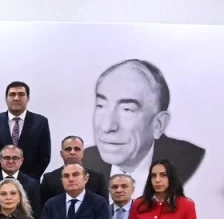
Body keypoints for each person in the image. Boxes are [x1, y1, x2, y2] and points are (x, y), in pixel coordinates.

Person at [83, 59, 205, 187]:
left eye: (127, 109)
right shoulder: (82, 163)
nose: (107, 126)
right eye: (101, 105)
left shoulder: (194, 163)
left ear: (158, 125)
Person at [0, 81, 51, 179]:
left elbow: (44, 156)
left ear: (28, 98)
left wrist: (29, 180)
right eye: (12, 94)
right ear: (6, 99)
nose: (16, 98)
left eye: (21, 94)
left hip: (29, 182)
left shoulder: (40, 122)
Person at [41, 136, 106, 205]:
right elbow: (43, 208)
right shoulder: (49, 179)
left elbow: (104, 207)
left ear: (83, 153)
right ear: (61, 153)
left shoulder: (97, 178)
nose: (72, 152)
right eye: (68, 149)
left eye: (77, 149)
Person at [0, 145, 42, 217]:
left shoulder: (32, 184)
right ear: (0, 160)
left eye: (15, 158)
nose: (11, 161)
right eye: (7, 158)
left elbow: (36, 213)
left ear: (22, 160)